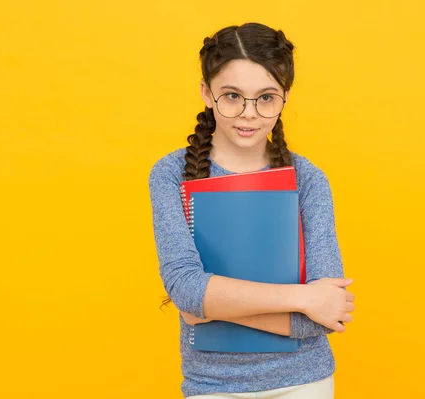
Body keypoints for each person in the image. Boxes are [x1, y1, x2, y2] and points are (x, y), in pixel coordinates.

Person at [148, 22, 355, 399]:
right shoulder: (169, 174)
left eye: (266, 97)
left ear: (285, 98)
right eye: (231, 96)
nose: (249, 113)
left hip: (305, 382)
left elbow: (325, 318)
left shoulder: (307, 179)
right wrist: (303, 299)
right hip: (212, 387)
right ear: (206, 94)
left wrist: (212, 305)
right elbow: (186, 290)